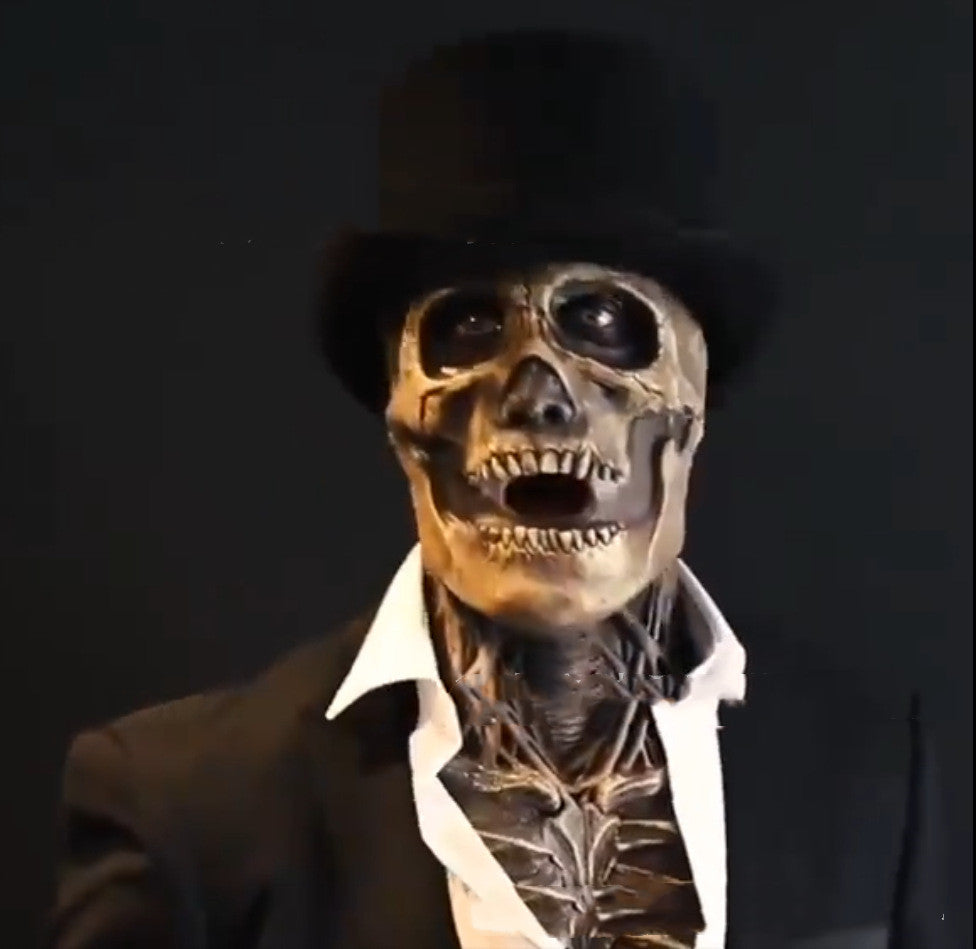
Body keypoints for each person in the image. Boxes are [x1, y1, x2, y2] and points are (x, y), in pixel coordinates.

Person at [47, 31, 945, 949]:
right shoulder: (195, 809)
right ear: (402, 410)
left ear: (691, 398)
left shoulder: (868, 772)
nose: (537, 397)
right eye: (469, 327)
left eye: (603, 321)